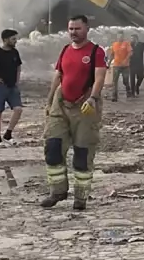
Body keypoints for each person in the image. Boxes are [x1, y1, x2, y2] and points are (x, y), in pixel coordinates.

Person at [41, 15, 107, 211]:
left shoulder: (96, 51)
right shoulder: (65, 50)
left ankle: (80, 197)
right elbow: (58, 76)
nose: (73, 32)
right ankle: (57, 192)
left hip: (85, 106)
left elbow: (100, 77)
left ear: (87, 29)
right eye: (70, 29)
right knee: (52, 148)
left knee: (82, 153)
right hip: (61, 104)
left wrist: (93, 98)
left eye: (77, 28)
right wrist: (49, 101)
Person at [108, 31, 132, 102]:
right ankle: (114, 96)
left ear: (123, 36)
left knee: (125, 80)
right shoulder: (114, 44)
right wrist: (109, 63)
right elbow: (112, 54)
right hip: (116, 65)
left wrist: (125, 60)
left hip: (125, 66)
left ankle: (128, 90)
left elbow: (130, 52)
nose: (120, 37)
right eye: (119, 36)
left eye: (121, 36)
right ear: (117, 36)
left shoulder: (126, 43)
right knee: (114, 81)